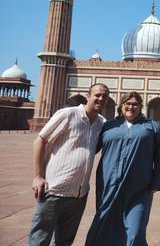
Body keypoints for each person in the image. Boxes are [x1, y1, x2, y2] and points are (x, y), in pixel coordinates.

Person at [28, 83, 110, 246]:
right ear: (88, 96)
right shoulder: (68, 114)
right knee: (39, 238)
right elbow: (40, 140)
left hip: (79, 194)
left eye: (104, 96)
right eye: (97, 95)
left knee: (64, 241)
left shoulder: (102, 123)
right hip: (55, 189)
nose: (100, 99)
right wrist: (38, 176)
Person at [86, 91, 160, 246]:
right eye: (127, 104)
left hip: (139, 187)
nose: (131, 107)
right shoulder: (108, 126)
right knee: (105, 223)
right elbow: (89, 149)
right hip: (109, 185)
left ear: (141, 106)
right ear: (121, 106)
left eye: (135, 104)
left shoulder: (151, 127)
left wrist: (156, 184)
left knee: (136, 231)